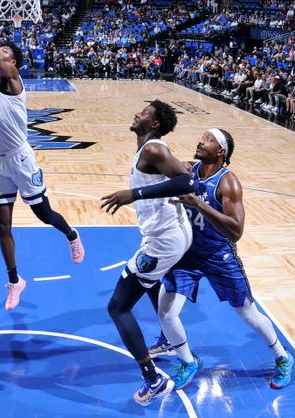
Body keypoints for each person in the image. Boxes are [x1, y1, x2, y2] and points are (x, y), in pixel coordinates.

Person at [0, 1, 84, 310]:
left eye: (3, 51)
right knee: (2, 225)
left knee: (42, 214)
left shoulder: (13, 77)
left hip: (20, 157)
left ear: (13, 61)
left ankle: (71, 234)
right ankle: (15, 281)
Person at [150, 128, 295, 390]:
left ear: (220, 151)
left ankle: (283, 358)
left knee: (248, 314)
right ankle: (187, 360)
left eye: (207, 139)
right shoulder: (189, 170)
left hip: (219, 255)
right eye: (201, 136)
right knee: (166, 312)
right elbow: (160, 159)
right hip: (189, 254)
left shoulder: (229, 183)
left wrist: (200, 205)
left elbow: (236, 231)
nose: (199, 140)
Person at [100, 100, 194, 407]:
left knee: (118, 307)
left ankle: (153, 379)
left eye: (145, 112)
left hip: (163, 241)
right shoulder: (152, 149)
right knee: (150, 282)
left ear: (153, 124)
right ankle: (168, 338)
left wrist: (133, 194)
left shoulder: (154, 149)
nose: (138, 113)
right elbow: (179, 172)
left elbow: (186, 181)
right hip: (172, 234)